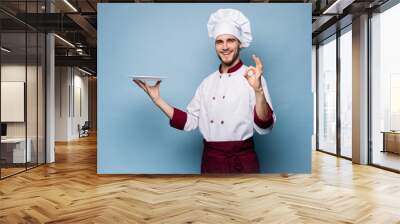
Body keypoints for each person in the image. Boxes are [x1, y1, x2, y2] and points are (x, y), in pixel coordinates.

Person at [134, 8, 276, 173]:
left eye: (230, 40)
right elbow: (189, 121)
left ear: (240, 43)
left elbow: (265, 125)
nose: (224, 47)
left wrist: (258, 91)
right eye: (219, 41)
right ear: (215, 45)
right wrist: (158, 100)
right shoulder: (207, 83)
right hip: (211, 162)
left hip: (243, 162)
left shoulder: (253, 78)